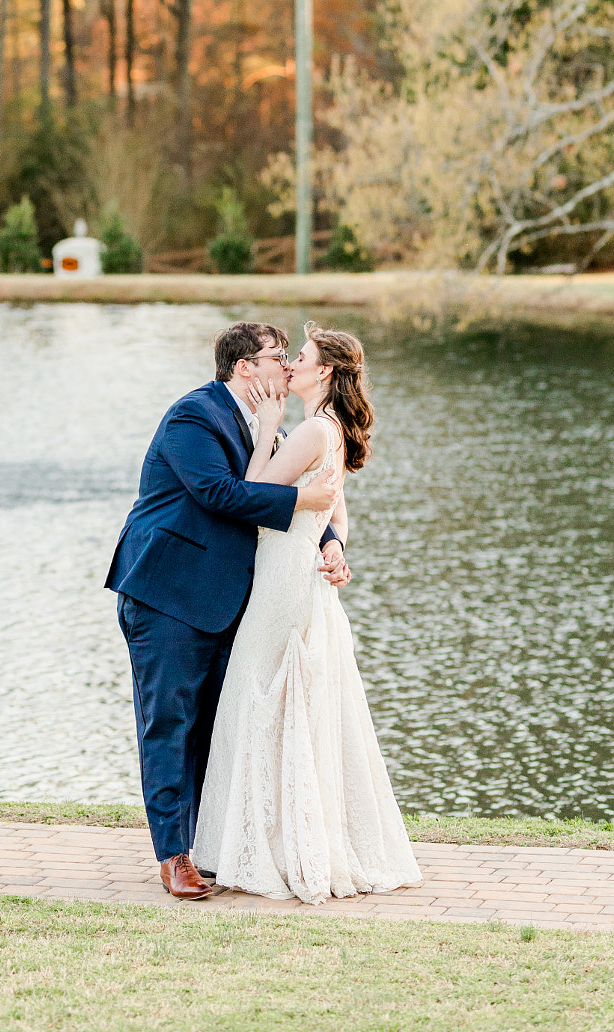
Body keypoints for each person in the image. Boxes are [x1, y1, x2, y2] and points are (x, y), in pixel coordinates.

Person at [105, 320, 347, 901]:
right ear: (245, 368)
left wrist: (330, 540)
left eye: (291, 356)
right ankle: (173, 857)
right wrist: (301, 500)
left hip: (229, 601)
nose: (286, 365)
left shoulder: (270, 425)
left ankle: (208, 843)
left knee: (216, 727)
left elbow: (296, 498)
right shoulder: (195, 417)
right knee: (169, 723)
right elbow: (220, 494)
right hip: (168, 595)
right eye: (276, 356)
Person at [193, 324, 422, 902]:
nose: (292, 363)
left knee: (263, 699)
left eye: (302, 356)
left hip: (284, 585)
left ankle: (268, 846)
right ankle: (275, 838)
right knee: (286, 704)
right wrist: (335, 543)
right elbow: (336, 514)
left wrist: (268, 427)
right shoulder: (331, 429)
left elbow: (252, 494)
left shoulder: (313, 429)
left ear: (323, 372)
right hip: (297, 579)